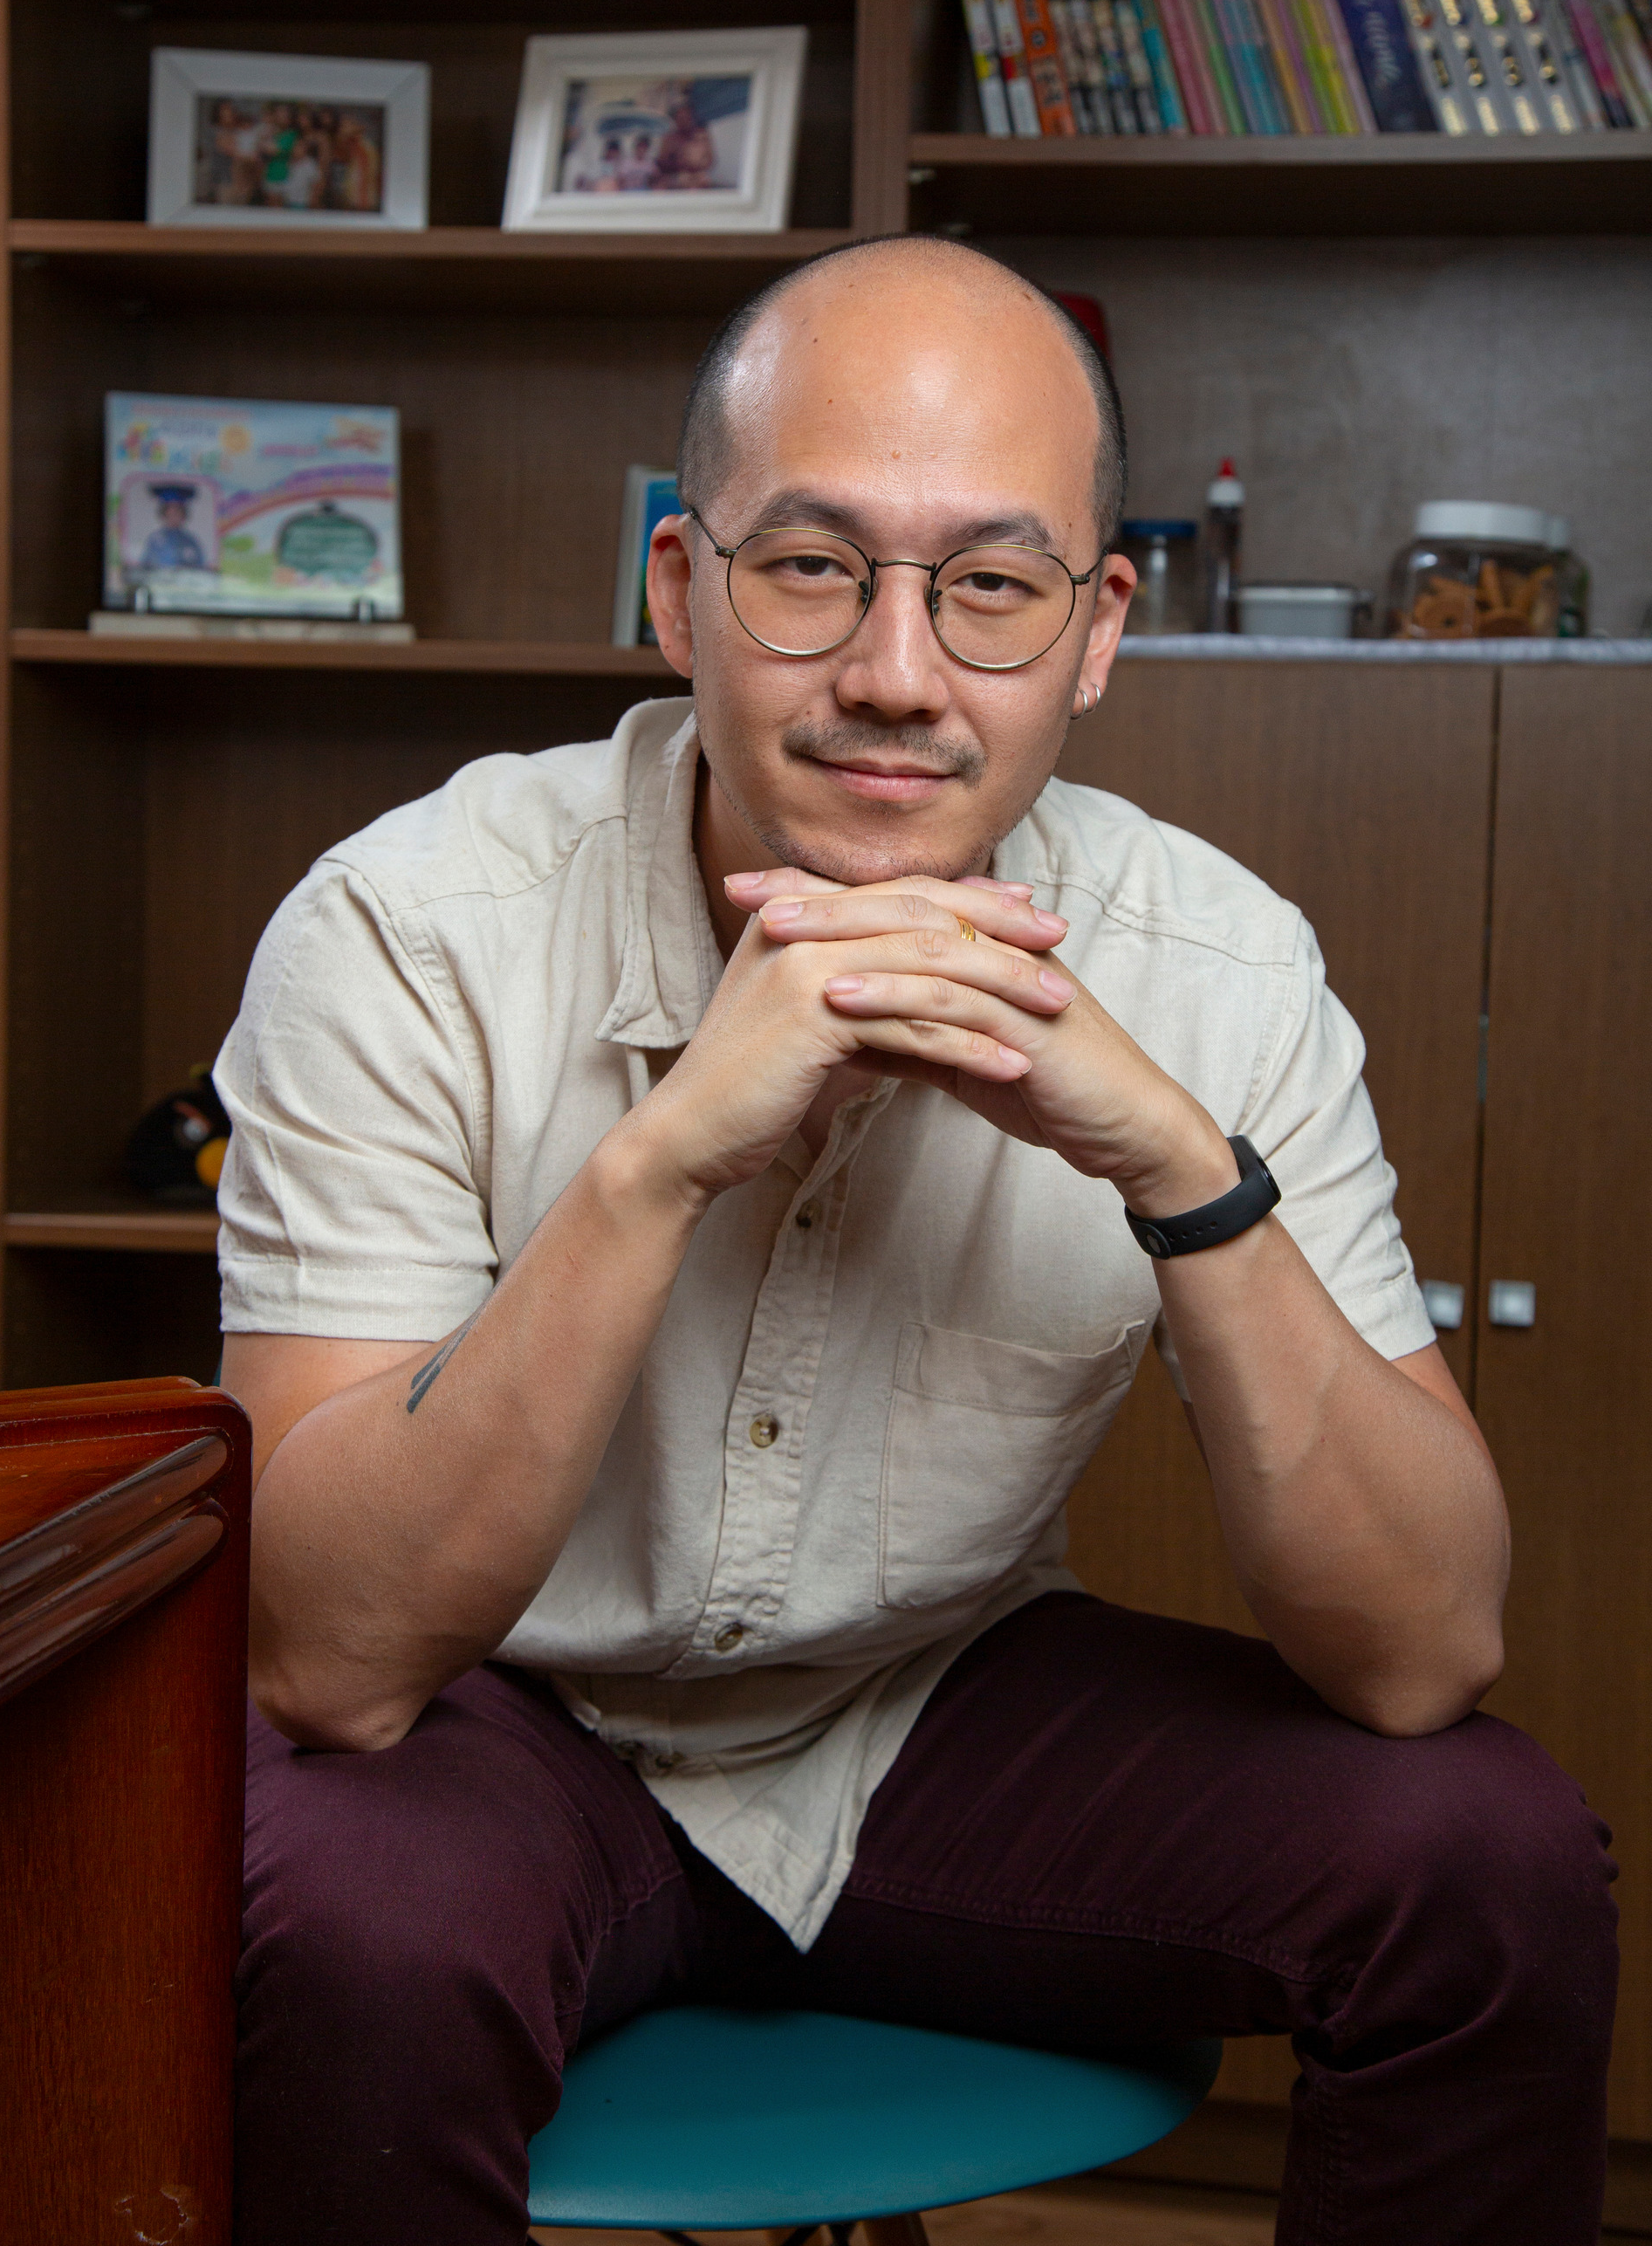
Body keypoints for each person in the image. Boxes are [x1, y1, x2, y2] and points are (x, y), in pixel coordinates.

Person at [220, 238, 1615, 2246]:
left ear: (1097, 628)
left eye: (989, 587)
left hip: (929, 1726)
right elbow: (326, 1661)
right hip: (498, 1725)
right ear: (683, 590)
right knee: (346, 1922)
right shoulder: (406, 929)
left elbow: (1422, 1656)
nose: (895, 670)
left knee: (1483, 1857)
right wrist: (659, 1163)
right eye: (809, 569)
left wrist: (1178, 1169)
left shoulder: (1217, 967)